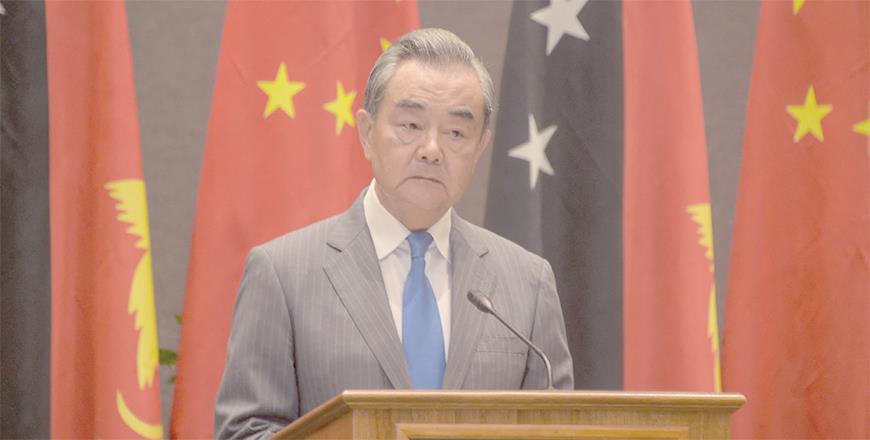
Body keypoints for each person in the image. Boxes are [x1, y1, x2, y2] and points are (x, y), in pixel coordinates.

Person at [215, 28, 573, 438]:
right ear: (367, 133)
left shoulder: (527, 284)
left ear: (480, 147)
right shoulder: (283, 274)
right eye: (410, 125)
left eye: (456, 133)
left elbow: (560, 429)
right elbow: (247, 431)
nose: (431, 149)